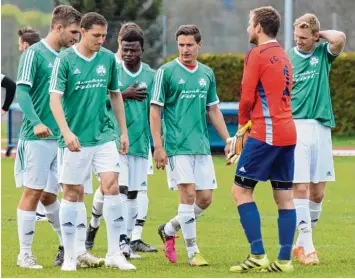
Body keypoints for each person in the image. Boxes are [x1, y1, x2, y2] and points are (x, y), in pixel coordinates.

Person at [49, 12, 135, 272]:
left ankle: (114, 253)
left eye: (104, 36)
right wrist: (66, 133)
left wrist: (123, 132)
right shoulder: (65, 60)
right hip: (75, 139)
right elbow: (55, 99)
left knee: (112, 185)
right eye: (96, 35)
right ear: (82, 32)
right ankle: (71, 255)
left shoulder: (108, 59)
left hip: (104, 135)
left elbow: (116, 95)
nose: (101, 40)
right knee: (72, 193)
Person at [150, 24, 230, 266]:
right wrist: (158, 146)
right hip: (176, 146)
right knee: (188, 195)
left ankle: (170, 228)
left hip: (201, 146)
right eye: (181, 45)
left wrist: (228, 139)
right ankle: (194, 252)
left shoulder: (207, 73)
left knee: (205, 199)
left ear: (199, 45)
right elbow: (155, 111)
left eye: (189, 45)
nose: (185, 49)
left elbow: (213, 109)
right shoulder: (166, 72)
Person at [228, 6, 297, 273]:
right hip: (288, 131)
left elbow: (246, 97)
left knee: (240, 191)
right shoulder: (284, 55)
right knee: (284, 197)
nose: (248, 28)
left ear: (258, 27)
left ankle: (257, 254)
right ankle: (284, 261)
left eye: (250, 23)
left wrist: (242, 128)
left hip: (265, 133)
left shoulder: (256, 54)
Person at [14, 5, 82, 269]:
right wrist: (37, 122)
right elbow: (22, 92)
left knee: (53, 196)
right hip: (36, 137)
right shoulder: (34, 54)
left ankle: (67, 246)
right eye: (73, 31)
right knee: (33, 191)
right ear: (58, 27)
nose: (76, 37)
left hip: (63, 138)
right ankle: (24, 254)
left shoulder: (67, 57)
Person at [86, 22, 157, 255]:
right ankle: (120, 241)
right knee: (121, 190)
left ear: (141, 50)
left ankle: (124, 238)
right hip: (114, 141)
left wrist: (158, 145)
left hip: (140, 143)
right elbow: (99, 101)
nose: (128, 54)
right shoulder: (112, 69)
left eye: (133, 50)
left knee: (134, 192)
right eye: (125, 49)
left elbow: (155, 111)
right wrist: (123, 94)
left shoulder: (151, 75)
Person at [288, 13, 346, 265]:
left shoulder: (322, 54)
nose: (299, 41)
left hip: (321, 128)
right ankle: (309, 247)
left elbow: (340, 38)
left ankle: (300, 245)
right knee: (299, 188)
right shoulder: (287, 58)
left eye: (304, 37)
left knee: (318, 193)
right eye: (296, 36)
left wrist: (318, 35)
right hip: (295, 127)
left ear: (314, 36)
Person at [16, 26, 48, 222]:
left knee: (37, 189)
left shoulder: (33, 56)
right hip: (43, 132)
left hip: (39, 134)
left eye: (20, 45)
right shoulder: (45, 57)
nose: (20, 49)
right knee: (41, 190)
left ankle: (72, 245)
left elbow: (17, 89)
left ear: (26, 45)